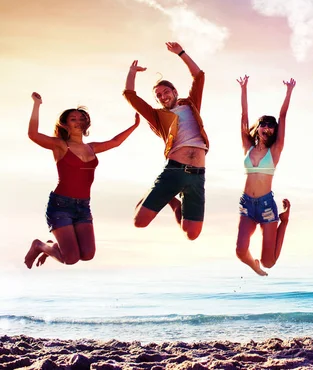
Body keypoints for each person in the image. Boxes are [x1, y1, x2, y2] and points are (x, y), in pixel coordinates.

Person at [24, 93, 139, 268]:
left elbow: (115, 142)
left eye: (81, 118)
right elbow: (33, 134)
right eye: (73, 119)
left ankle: (55, 247)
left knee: (87, 255)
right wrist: (37, 104)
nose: (78, 122)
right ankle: (40, 245)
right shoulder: (60, 145)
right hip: (60, 205)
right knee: (70, 259)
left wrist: (135, 125)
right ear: (65, 124)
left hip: (83, 206)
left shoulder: (91, 147)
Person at [124, 41, 208, 240]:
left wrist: (181, 53)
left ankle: (173, 201)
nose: (163, 97)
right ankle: (165, 193)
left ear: (174, 91)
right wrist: (132, 72)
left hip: (198, 175)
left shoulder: (191, 104)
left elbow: (199, 76)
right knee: (139, 222)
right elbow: (130, 96)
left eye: (165, 92)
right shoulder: (157, 116)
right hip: (174, 170)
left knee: (192, 234)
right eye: (158, 96)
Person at [235, 75, 296, 276]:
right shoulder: (247, 147)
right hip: (246, 204)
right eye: (264, 125)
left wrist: (289, 92)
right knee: (240, 251)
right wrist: (243, 89)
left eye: (271, 126)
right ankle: (253, 265)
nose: (267, 128)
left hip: (267, 206)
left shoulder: (275, 150)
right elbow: (243, 116)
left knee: (269, 263)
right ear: (258, 128)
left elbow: (284, 117)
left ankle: (284, 221)